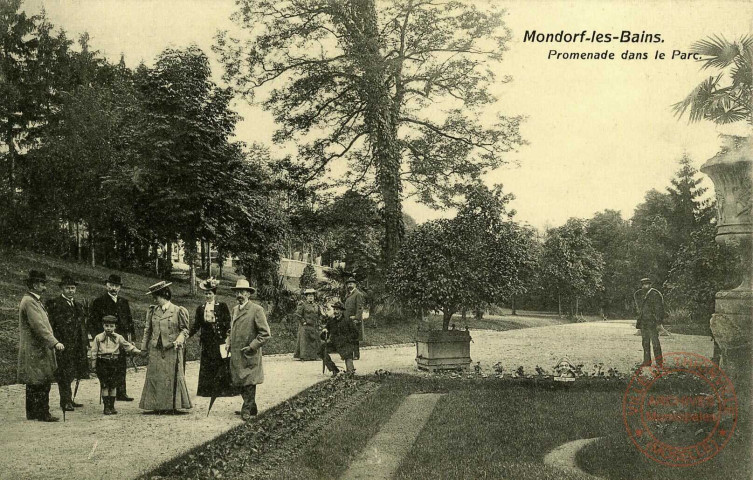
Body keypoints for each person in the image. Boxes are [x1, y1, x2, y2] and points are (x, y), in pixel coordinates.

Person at [17, 270, 64, 422]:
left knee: (36, 381)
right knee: (40, 381)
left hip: (37, 348)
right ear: (34, 285)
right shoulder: (30, 302)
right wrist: (54, 342)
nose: (44, 287)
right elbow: (39, 326)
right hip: (36, 348)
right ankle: (43, 413)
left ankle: (33, 413)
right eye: (42, 284)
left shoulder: (34, 301)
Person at [139, 281, 192, 413]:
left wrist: (179, 340)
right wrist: (144, 348)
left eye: (156, 297)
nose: (154, 300)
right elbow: (148, 330)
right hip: (156, 348)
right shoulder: (152, 311)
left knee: (171, 376)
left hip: (172, 348)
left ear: (164, 295)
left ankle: (172, 406)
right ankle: (155, 406)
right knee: (155, 376)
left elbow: (185, 330)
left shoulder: (178, 310)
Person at [226, 278, 271, 420]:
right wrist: (228, 341)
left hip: (249, 353)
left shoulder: (256, 310)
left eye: (242, 292)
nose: (239, 294)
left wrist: (252, 347)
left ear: (248, 294)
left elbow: (265, 334)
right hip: (237, 354)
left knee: (249, 382)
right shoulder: (234, 310)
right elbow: (231, 329)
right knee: (239, 381)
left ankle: (246, 409)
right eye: (237, 292)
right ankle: (252, 407)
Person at [89, 274, 135, 401]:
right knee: (107, 367)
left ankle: (121, 392)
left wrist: (132, 337)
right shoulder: (99, 302)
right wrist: (97, 339)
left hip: (121, 338)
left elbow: (129, 320)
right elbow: (93, 322)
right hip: (106, 339)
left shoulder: (123, 302)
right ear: (106, 286)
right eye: (111, 285)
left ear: (119, 287)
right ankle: (107, 394)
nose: (114, 288)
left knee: (121, 365)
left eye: (116, 286)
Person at [46, 275, 89, 412]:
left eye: (72, 288)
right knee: (64, 374)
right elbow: (52, 325)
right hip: (63, 345)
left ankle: (69, 399)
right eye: (67, 288)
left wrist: (85, 342)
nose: (70, 291)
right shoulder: (55, 304)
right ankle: (65, 401)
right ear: (62, 288)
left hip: (77, 345)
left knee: (73, 372)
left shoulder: (78, 305)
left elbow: (82, 326)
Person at [188, 278, 236, 398]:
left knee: (221, 363)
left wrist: (227, 337)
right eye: (206, 293)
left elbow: (228, 322)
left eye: (210, 293)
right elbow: (197, 325)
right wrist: (187, 334)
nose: (208, 295)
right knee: (207, 364)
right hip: (207, 341)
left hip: (219, 339)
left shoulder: (222, 306)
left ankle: (223, 390)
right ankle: (207, 390)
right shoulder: (201, 308)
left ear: (214, 294)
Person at [92, 316, 142, 415]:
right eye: (106, 326)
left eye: (111, 326)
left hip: (114, 362)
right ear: (103, 326)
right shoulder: (98, 338)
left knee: (113, 385)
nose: (109, 328)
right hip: (103, 362)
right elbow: (93, 352)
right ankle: (106, 407)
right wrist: (94, 365)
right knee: (105, 385)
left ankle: (112, 406)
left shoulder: (119, 337)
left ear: (115, 327)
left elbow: (128, 346)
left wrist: (139, 351)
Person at [319, 300, 358, 376]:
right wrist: (324, 331)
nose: (335, 311)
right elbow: (323, 336)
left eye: (337, 309)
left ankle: (350, 371)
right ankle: (333, 369)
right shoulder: (331, 321)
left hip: (345, 344)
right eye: (334, 309)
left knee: (349, 369)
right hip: (334, 344)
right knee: (321, 350)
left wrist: (347, 339)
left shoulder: (348, 321)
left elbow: (356, 334)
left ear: (342, 311)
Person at [634, 277, 665, 367]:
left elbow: (659, 309)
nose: (644, 286)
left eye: (646, 284)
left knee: (655, 342)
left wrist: (658, 322)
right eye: (643, 284)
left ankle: (659, 362)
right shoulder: (643, 295)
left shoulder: (655, 294)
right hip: (644, 323)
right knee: (645, 342)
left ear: (650, 285)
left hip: (652, 322)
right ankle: (647, 361)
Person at [294, 288, 321, 361]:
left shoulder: (316, 306)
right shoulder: (303, 305)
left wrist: (319, 323)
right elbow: (298, 314)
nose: (311, 297)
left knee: (314, 341)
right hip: (305, 326)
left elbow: (319, 315)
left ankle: (314, 356)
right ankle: (304, 356)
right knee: (305, 341)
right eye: (309, 296)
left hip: (313, 326)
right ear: (306, 297)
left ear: (314, 297)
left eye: (312, 295)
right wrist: (303, 322)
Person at [343, 277, 366, 360]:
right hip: (348, 320)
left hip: (354, 320)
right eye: (348, 284)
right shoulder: (348, 294)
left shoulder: (358, 294)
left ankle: (356, 355)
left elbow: (360, 307)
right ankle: (349, 355)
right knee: (349, 337)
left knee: (355, 338)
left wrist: (356, 317)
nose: (349, 285)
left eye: (351, 283)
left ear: (355, 285)